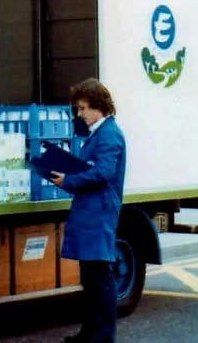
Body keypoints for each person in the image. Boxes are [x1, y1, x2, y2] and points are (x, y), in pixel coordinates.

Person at [50, 78, 126, 343]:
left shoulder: (110, 134)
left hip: (99, 212)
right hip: (90, 210)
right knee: (91, 278)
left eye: (82, 108)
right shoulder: (98, 132)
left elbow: (104, 171)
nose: (79, 114)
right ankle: (90, 333)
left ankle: (103, 336)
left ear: (99, 107)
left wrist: (68, 180)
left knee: (100, 278)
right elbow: (91, 169)